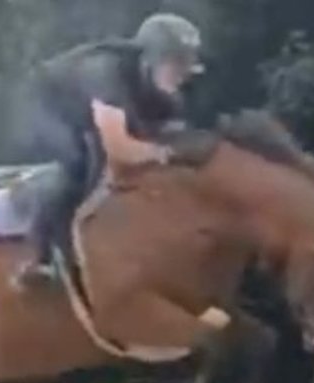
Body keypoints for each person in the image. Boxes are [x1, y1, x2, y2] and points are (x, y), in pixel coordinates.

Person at [13, 13, 206, 290]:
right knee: (79, 161)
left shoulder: (165, 92)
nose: (184, 74)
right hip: (49, 106)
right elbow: (119, 147)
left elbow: (171, 141)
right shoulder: (105, 74)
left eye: (187, 66)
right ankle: (38, 255)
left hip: (90, 109)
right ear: (150, 60)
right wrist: (167, 152)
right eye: (177, 65)